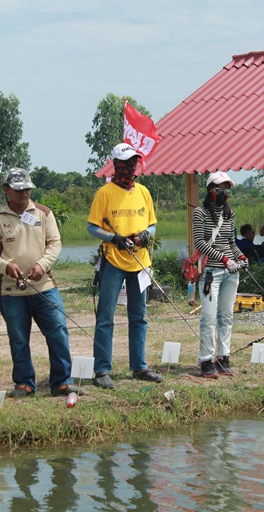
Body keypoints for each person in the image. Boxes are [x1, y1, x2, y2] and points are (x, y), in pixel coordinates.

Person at [87, 142, 163, 389]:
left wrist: (145, 235)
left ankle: (139, 366)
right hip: (113, 261)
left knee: (139, 316)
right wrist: (113, 238)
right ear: (116, 165)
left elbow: (152, 224)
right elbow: (92, 227)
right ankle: (102, 370)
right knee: (106, 317)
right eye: (126, 163)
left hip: (139, 262)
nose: (131, 167)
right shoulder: (104, 193)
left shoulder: (143, 191)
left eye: (134, 162)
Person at [0, 168, 80, 398]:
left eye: (27, 188)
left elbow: (55, 243)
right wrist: (6, 267)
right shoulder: (0, 217)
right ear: (6, 190)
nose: (24, 192)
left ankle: (62, 382)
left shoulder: (43, 213)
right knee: (18, 338)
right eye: (18, 189)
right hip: (10, 291)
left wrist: (42, 265)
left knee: (58, 332)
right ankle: (24, 384)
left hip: (45, 286)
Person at [193, 171, 247, 378]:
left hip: (231, 273)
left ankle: (224, 357)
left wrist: (241, 257)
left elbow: (231, 242)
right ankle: (206, 359)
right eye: (219, 188)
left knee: (226, 316)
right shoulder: (200, 212)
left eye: (227, 188)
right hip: (210, 273)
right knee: (208, 316)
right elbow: (199, 243)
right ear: (210, 190)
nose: (223, 192)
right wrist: (224, 260)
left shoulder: (229, 214)